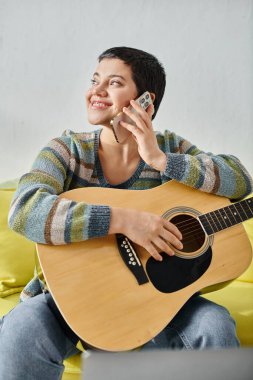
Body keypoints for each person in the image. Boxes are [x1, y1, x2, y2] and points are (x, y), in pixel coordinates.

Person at [0, 46, 252, 379]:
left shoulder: (170, 148)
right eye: (95, 80)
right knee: (22, 329)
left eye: (114, 82)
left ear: (145, 100)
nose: (96, 91)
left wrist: (162, 160)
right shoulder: (66, 150)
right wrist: (125, 221)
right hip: (68, 299)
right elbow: (24, 210)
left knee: (215, 325)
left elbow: (240, 180)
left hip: (157, 304)